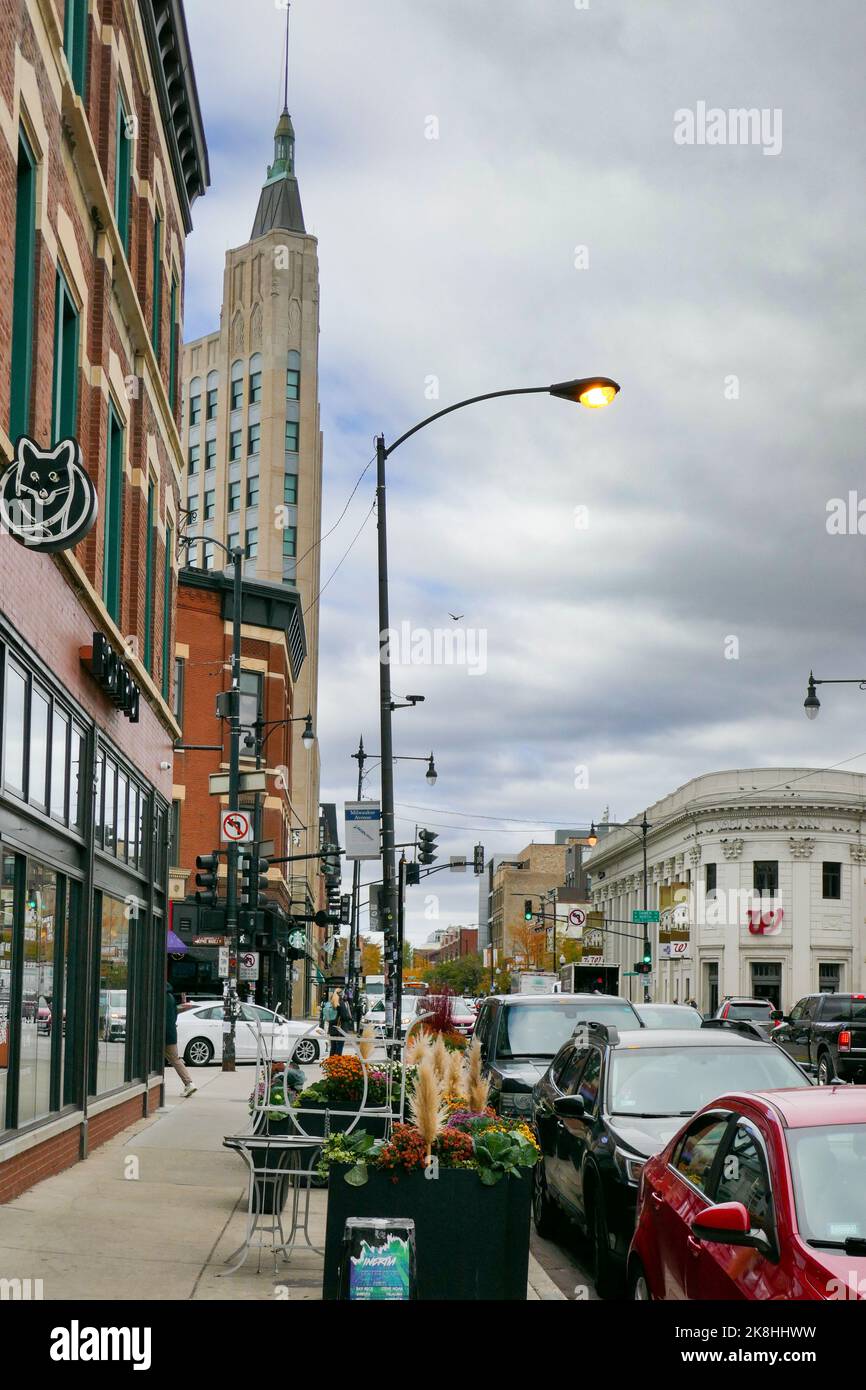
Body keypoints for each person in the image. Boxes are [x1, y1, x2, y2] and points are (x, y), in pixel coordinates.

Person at [165, 981, 196, 1096]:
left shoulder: (158, 997)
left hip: (160, 1034)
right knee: (175, 1059)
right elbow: (175, 1015)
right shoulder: (171, 997)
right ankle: (189, 1083)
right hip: (171, 1033)